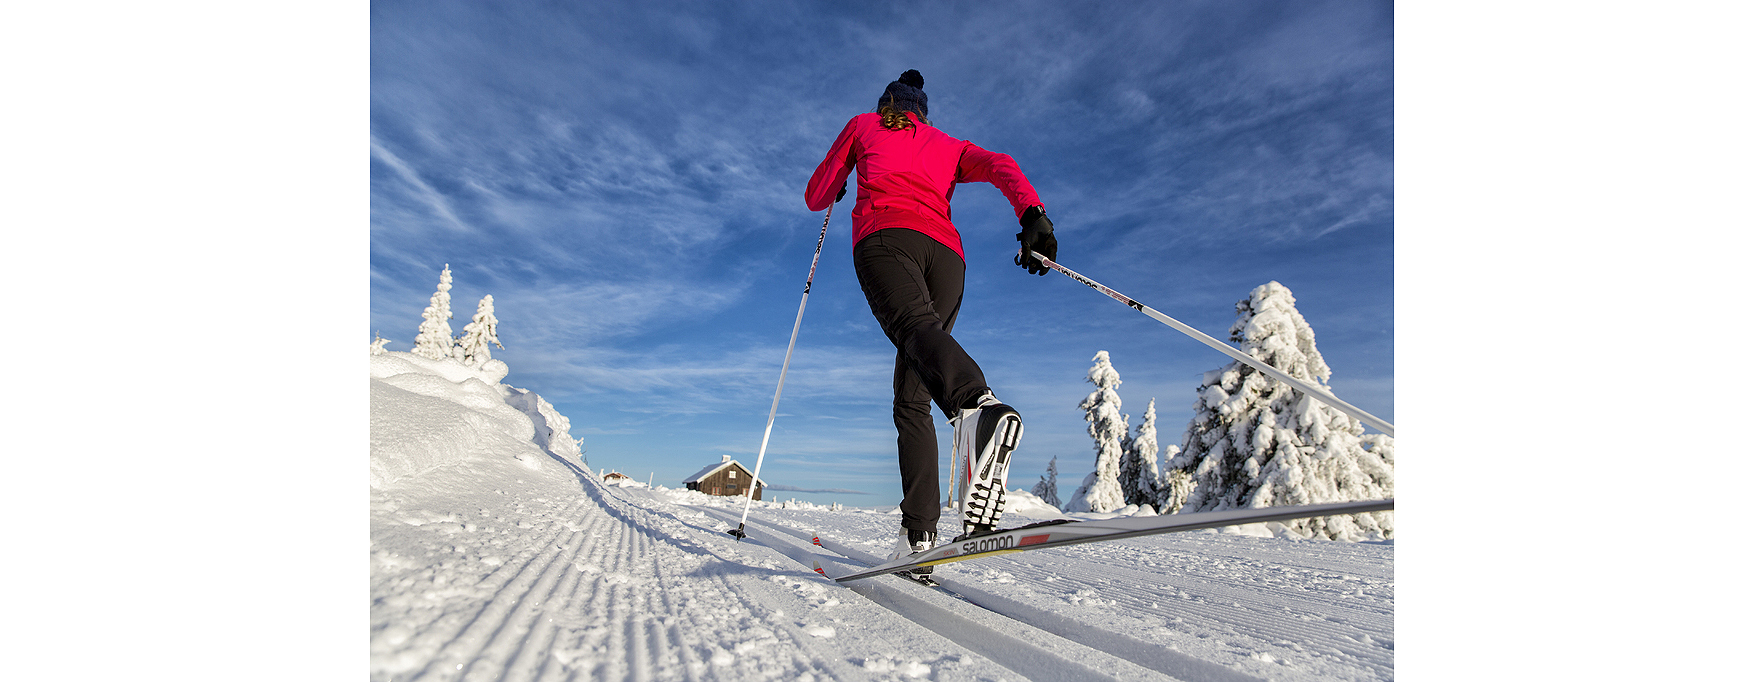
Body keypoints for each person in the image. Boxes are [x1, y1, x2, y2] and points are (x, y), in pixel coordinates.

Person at [804, 70, 1059, 574]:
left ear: (887, 106)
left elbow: (817, 194)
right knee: (912, 393)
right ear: (923, 112)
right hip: (947, 257)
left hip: (886, 237)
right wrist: (1033, 215)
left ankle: (975, 405)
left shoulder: (863, 125)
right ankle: (918, 535)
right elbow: (1000, 164)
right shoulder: (948, 144)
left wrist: (838, 181)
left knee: (914, 332)